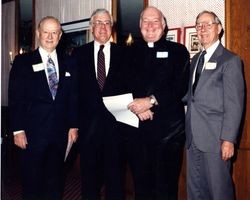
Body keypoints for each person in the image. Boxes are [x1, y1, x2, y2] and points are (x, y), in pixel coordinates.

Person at [8, 16, 78, 200]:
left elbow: (73, 97)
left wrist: (73, 126)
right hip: (32, 135)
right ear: (38, 33)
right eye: (46, 32)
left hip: (60, 136)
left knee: (56, 185)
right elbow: (16, 98)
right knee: (32, 185)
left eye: (54, 32)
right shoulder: (22, 62)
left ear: (60, 35)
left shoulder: (69, 62)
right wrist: (17, 130)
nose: (49, 36)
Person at [128, 6, 190, 200]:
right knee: (142, 188)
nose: (150, 26)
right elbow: (120, 85)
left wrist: (150, 101)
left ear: (163, 25)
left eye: (155, 21)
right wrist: (136, 108)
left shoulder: (178, 51)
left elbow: (180, 86)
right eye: (146, 21)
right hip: (138, 132)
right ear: (140, 25)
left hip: (169, 134)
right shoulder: (128, 52)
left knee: (166, 188)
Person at [183, 11, 244, 200]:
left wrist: (228, 139)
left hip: (216, 140)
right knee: (195, 191)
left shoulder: (230, 60)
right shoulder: (195, 60)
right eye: (199, 25)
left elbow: (234, 104)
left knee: (220, 192)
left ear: (219, 28)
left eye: (208, 24)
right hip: (193, 137)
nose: (202, 29)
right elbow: (191, 97)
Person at [72, 9, 128, 200]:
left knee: (116, 184)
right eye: (98, 23)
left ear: (111, 27)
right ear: (91, 26)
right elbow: (72, 93)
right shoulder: (78, 54)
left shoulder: (125, 54)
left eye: (107, 23)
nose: (103, 27)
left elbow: (134, 88)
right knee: (89, 184)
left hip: (117, 132)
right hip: (88, 132)